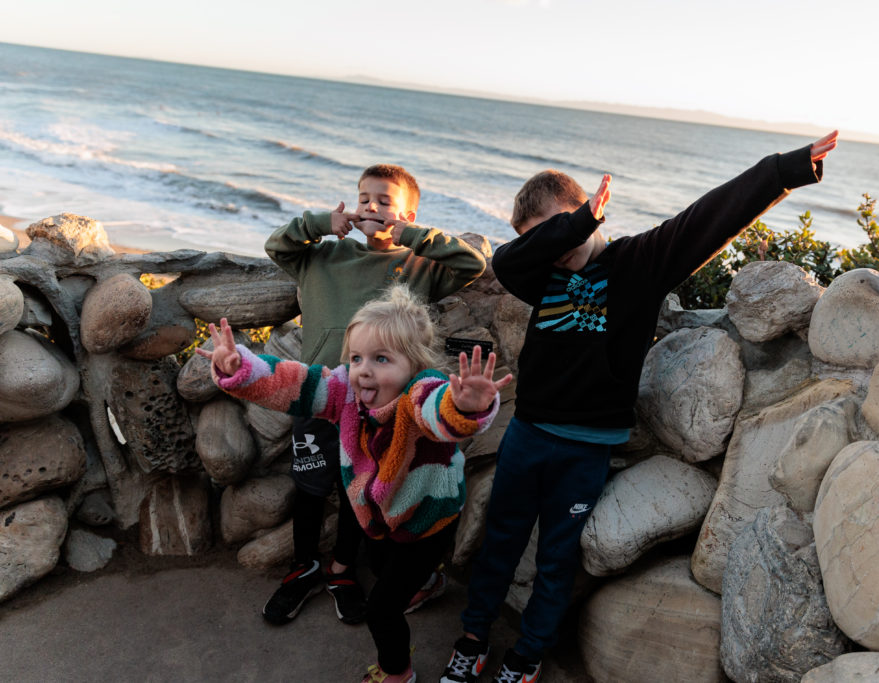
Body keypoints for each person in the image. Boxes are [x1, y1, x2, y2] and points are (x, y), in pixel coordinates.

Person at [440, 131, 839, 683]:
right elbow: (509, 259)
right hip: (528, 434)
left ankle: (527, 655)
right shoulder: (541, 273)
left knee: (557, 559)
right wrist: (572, 225)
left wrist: (783, 170)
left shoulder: (638, 264)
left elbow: (706, 219)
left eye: (566, 227)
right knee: (500, 543)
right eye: (550, 238)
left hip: (588, 448)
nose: (559, 249)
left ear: (589, 211)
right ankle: (472, 638)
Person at [200, 285, 512, 683]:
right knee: (381, 565)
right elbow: (294, 384)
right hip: (379, 513)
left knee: (382, 609)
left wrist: (468, 406)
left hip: (427, 519)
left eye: (381, 359)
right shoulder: (346, 391)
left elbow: (441, 413)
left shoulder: (420, 394)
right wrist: (240, 369)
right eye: (357, 357)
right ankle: (430, 582)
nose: (364, 368)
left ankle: (397, 672)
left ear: (414, 365)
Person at [263, 164, 486, 627]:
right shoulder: (322, 257)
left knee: (355, 490)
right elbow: (277, 245)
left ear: (407, 213)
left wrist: (415, 236)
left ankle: (342, 571)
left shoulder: (419, 268)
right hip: (319, 394)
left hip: (378, 409)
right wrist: (324, 224)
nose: (372, 207)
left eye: (385, 201)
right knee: (308, 487)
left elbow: (472, 264)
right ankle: (303, 567)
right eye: (364, 198)